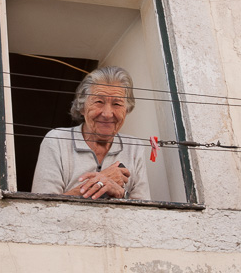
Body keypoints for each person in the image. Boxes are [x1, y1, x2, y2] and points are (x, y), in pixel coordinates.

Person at [31, 66, 151, 200]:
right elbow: (41, 207)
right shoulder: (56, 140)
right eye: (99, 101)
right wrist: (102, 181)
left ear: (127, 110)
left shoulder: (134, 147)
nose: (107, 114)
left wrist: (121, 194)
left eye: (117, 104)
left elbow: (144, 210)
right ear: (82, 107)